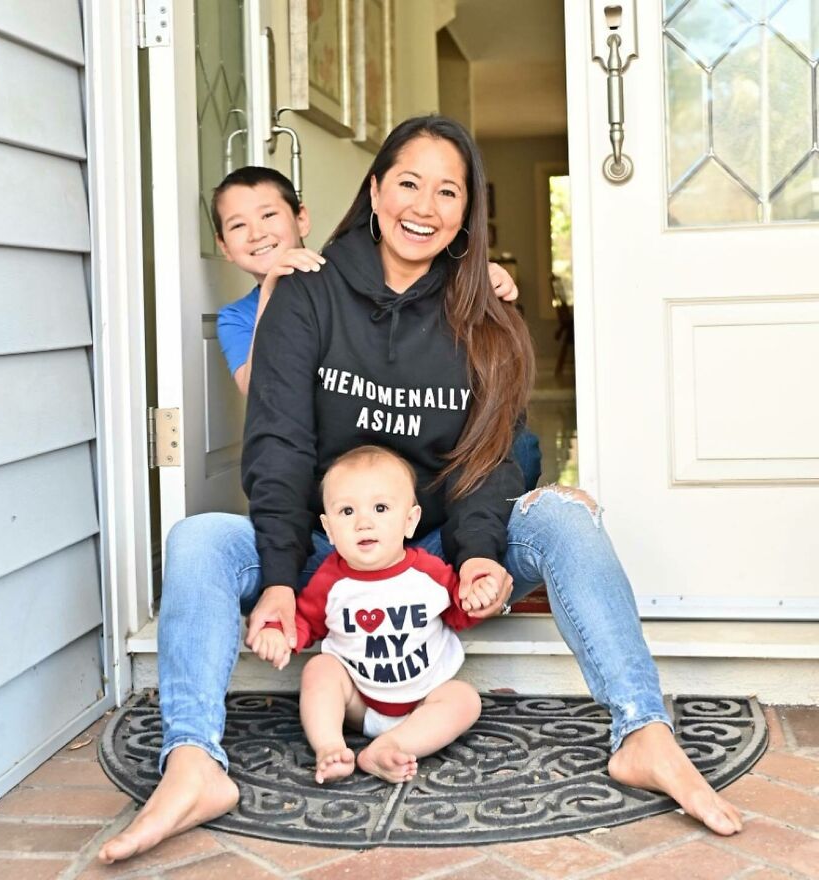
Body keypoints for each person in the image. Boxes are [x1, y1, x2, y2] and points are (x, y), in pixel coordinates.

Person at [99, 115, 741, 865]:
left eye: (448, 192)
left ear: (467, 214)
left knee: (564, 517)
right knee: (198, 539)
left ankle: (642, 732)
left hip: (431, 551)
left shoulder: (485, 314)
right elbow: (278, 444)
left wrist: (477, 555)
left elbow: (489, 457)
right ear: (375, 190)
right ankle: (194, 763)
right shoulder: (307, 294)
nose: (424, 206)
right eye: (408, 183)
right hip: (322, 547)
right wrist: (278, 578)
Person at [210, 166, 542, 488]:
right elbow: (261, 393)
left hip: (416, 440)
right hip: (334, 468)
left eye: (269, 215)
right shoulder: (236, 317)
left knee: (520, 447)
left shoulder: (349, 276)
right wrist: (271, 293)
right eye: (238, 225)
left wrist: (476, 278)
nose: (257, 233)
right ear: (223, 245)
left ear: (302, 219)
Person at [252, 445, 496, 785]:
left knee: (465, 699)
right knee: (320, 668)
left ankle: (391, 746)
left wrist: (476, 597)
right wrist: (279, 633)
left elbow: (459, 612)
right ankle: (330, 747)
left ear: (410, 520)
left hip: (423, 699)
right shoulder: (330, 580)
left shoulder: (429, 572)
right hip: (360, 703)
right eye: (347, 511)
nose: (364, 522)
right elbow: (305, 620)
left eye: (380, 508)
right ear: (330, 529)